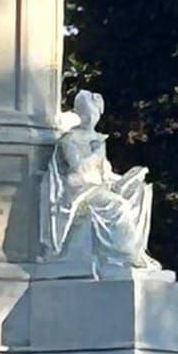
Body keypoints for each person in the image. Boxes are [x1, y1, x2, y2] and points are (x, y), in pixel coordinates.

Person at [41, 90, 159, 271]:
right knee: (117, 205)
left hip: (100, 186)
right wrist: (96, 152)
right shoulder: (69, 140)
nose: (92, 117)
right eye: (88, 113)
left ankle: (134, 252)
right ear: (81, 113)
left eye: (95, 113)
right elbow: (78, 168)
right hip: (80, 190)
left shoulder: (98, 139)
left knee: (140, 191)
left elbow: (106, 173)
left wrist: (129, 178)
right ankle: (126, 254)